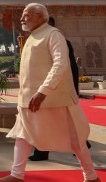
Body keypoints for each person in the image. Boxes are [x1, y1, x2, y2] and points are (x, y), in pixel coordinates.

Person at [0, 3, 100, 182]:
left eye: (27, 15)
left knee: (75, 139)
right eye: (23, 15)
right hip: (29, 99)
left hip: (53, 99)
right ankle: (17, 175)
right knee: (22, 135)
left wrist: (43, 92)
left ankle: (91, 177)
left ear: (40, 16)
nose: (22, 19)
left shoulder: (53, 34)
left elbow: (61, 65)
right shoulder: (32, 37)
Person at [28, 16, 83, 162]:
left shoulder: (57, 39)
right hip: (48, 88)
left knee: (49, 122)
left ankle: (42, 152)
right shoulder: (40, 39)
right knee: (50, 122)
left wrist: (45, 90)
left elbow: (64, 67)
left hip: (54, 89)